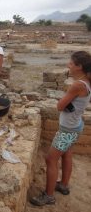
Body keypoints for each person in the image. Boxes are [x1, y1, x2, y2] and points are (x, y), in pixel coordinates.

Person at [30, 51, 91, 206]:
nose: (68, 65)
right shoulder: (86, 82)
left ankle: (49, 196)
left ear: (79, 67)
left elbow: (59, 106)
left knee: (51, 159)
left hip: (68, 130)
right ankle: (63, 185)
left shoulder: (78, 85)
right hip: (76, 126)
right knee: (67, 154)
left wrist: (63, 99)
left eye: (70, 63)